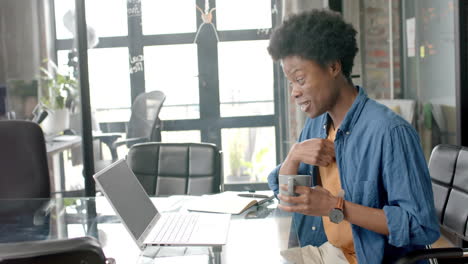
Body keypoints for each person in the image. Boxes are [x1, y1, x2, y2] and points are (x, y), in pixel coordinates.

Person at [267, 9, 439, 264]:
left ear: (333, 67)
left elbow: (421, 226)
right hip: (329, 252)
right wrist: (293, 155)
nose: (294, 92)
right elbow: (287, 196)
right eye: (290, 83)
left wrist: (336, 208)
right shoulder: (315, 126)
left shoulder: (390, 132)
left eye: (300, 79)